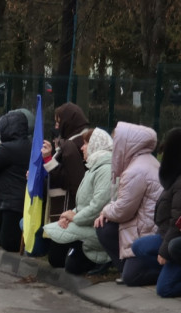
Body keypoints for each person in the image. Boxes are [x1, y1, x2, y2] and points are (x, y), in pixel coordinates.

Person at [94, 122, 162, 285]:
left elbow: (123, 210)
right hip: (149, 228)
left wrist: (105, 210)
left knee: (132, 277)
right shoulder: (149, 161)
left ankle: (154, 270)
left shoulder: (135, 170)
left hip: (146, 232)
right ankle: (128, 268)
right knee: (106, 226)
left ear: (125, 144)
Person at [120, 128, 181, 296]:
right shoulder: (174, 178)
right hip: (166, 235)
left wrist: (164, 251)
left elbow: (178, 221)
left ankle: (171, 270)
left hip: (174, 239)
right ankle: (167, 269)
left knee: (164, 289)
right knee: (139, 246)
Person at [42, 128, 111, 274]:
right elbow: (84, 203)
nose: (82, 147)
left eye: (86, 143)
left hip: (95, 227)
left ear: (96, 146)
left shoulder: (105, 170)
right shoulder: (93, 169)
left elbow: (98, 205)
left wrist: (75, 218)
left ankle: (100, 261)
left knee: (69, 264)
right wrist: (68, 214)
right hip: (85, 222)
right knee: (57, 254)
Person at [0, 110, 32, 252]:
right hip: (26, 200)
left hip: (10, 202)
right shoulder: (30, 145)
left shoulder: (7, 149)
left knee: (8, 242)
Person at [43, 101, 89, 215]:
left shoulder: (72, 145)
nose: (56, 126)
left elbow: (67, 179)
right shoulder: (76, 142)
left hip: (65, 208)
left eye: (59, 122)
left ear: (68, 122)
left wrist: (48, 159)